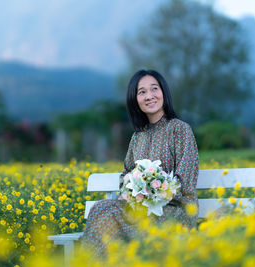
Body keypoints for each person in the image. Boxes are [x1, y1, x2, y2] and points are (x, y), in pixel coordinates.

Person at [81, 69, 199, 258]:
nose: (149, 96)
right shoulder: (138, 137)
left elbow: (185, 180)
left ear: (163, 93)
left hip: (175, 210)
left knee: (119, 221)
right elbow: (126, 174)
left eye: (154, 89)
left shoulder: (180, 129)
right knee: (100, 208)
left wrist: (152, 193)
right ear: (135, 99)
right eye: (142, 92)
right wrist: (131, 194)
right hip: (140, 210)